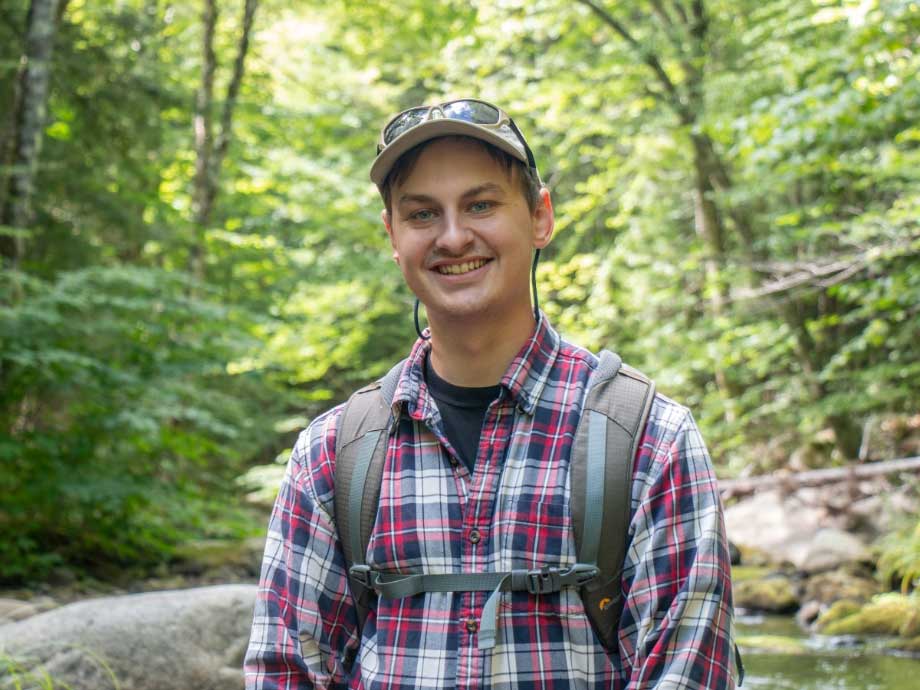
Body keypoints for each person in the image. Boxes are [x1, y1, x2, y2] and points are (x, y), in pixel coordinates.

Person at [244, 99, 740, 689]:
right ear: (393, 236)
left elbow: (688, 675)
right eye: (423, 213)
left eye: (480, 204)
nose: (453, 237)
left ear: (540, 217)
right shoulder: (333, 455)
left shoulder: (648, 439)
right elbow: (286, 671)